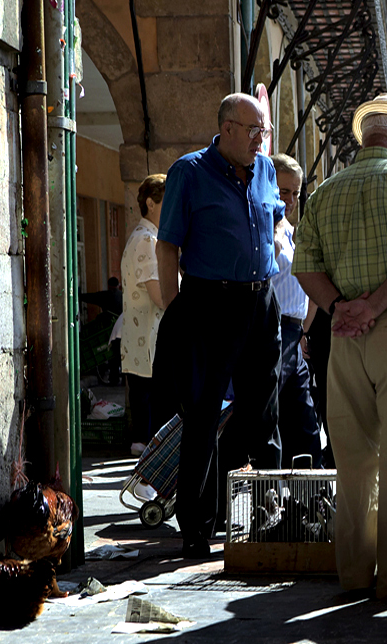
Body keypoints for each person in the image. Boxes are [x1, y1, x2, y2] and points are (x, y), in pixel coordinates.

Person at [293, 93, 387, 601]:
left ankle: (354, 572)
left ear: (365, 138)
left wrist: (340, 308)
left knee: (353, 458)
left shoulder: (324, 192)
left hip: (344, 339)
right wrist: (375, 306)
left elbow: (305, 267)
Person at [156, 92, 285, 559]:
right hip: (209, 303)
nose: (260, 140)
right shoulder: (189, 172)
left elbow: (273, 222)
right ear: (226, 128)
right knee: (203, 415)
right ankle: (196, 527)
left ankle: (251, 509)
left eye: (263, 131)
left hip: (260, 300)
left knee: (260, 413)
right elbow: (167, 246)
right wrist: (177, 315)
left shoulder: (265, 169)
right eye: (253, 131)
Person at [269, 153, 322, 468]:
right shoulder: (266, 232)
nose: (289, 199)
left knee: (304, 421)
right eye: (282, 191)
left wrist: (304, 332)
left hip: (294, 335)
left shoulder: (292, 232)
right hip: (271, 333)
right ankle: (272, 493)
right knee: (276, 420)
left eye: (295, 193)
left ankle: (309, 497)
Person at [120, 174, 166, 458]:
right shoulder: (147, 240)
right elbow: (160, 296)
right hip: (148, 343)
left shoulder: (146, 237)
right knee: (150, 415)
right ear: (150, 203)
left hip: (143, 342)